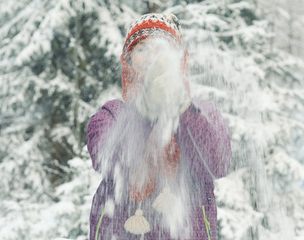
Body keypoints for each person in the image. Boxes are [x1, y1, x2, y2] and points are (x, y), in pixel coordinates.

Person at [86, 13, 232, 240]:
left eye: (161, 47)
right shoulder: (113, 114)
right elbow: (107, 159)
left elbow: (217, 163)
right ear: (129, 59)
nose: (152, 56)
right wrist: (144, 111)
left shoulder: (202, 113)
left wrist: (181, 109)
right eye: (141, 48)